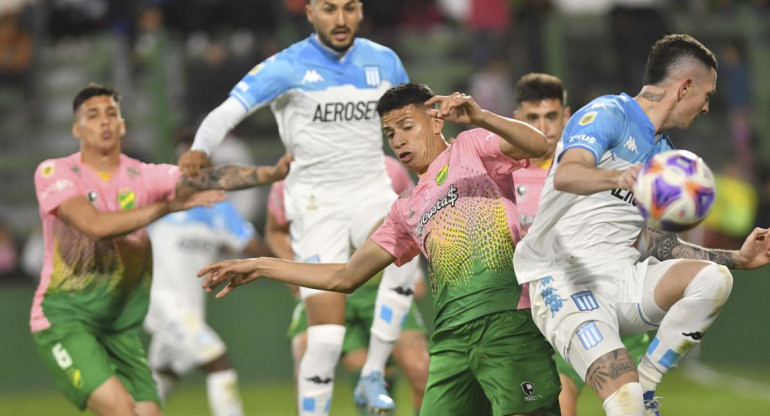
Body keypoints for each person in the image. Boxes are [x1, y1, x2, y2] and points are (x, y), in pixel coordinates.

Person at [199, 83, 562, 416]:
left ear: (436, 122)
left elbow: (539, 145)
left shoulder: (472, 147)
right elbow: (345, 275)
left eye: (407, 126)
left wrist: (481, 116)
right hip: (451, 340)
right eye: (390, 133)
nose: (398, 140)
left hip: (507, 322)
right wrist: (261, 265)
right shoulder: (406, 208)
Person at [178, 1, 417, 414]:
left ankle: (374, 372)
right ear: (310, 13)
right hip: (315, 205)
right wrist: (200, 148)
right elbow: (228, 111)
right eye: (329, 9)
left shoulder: (385, 61)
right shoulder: (285, 67)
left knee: (409, 238)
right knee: (324, 340)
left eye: (349, 8)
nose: (340, 19)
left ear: (360, 11)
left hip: (369, 191)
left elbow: (412, 120)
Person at [512, 34, 770, 416]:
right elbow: (567, 174)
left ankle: (648, 383)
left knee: (715, 279)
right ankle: (637, 396)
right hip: (565, 280)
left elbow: (647, 240)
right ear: (684, 87)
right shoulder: (608, 113)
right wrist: (619, 178)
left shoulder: (664, 155)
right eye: (706, 94)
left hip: (621, 280)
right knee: (623, 402)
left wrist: (736, 257)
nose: (706, 107)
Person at [30, 83, 290, 416]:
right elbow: (94, 227)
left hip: (120, 324)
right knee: (125, 409)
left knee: (151, 409)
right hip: (66, 317)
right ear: (77, 129)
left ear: (122, 125)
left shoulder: (143, 176)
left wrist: (271, 172)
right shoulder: (56, 172)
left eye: (112, 114)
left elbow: (213, 178)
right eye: (93, 116)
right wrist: (165, 207)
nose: (105, 122)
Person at [511, 72, 650, 416]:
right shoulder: (506, 176)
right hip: (533, 309)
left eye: (551, 116)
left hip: (591, 297)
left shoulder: (593, 167)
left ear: (567, 115)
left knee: (581, 399)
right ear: (517, 120)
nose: (544, 126)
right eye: (533, 118)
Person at [266, 155, 430, 414]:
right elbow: (275, 229)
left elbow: (411, 217)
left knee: (420, 369)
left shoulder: (388, 169)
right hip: (325, 286)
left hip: (380, 286)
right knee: (308, 356)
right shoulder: (292, 176)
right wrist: (294, 270)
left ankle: (381, 381)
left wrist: (415, 274)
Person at [144, 132, 274, 416]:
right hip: (162, 303)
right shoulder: (159, 202)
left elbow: (253, 247)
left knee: (165, 373)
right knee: (219, 363)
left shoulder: (217, 206)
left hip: (190, 309)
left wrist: (290, 263)